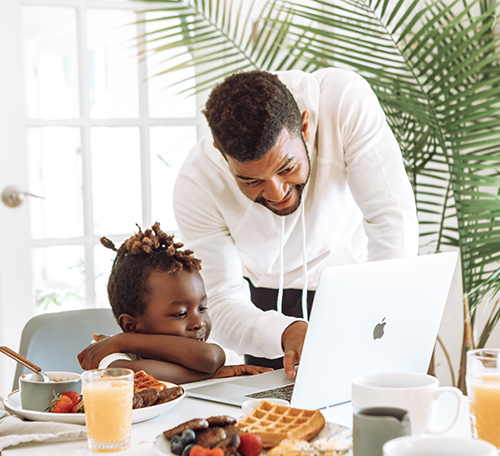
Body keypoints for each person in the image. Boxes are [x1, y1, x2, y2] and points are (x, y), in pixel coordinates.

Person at [173, 68, 419, 378]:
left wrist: (381, 312)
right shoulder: (196, 184)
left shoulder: (343, 101)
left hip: (354, 284)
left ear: (304, 126)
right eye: (251, 181)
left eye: (287, 167)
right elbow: (219, 301)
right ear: (221, 154)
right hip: (259, 304)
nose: (277, 192)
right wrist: (284, 331)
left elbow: (391, 217)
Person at [77, 223, 271, 384]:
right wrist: (213, 374)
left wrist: (122, 339)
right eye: (180, 314)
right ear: (131, 326)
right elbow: (136, 376)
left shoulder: (188, 345)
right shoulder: (105, 351)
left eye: (202, 308)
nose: (199, 322)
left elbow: (212, 357)